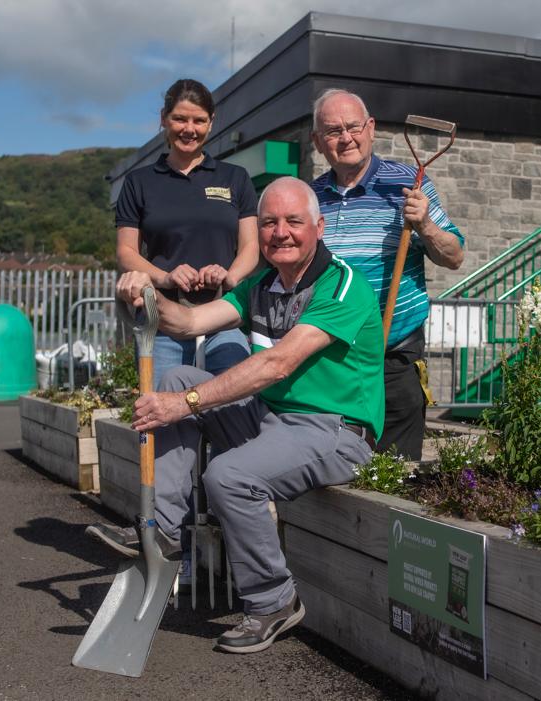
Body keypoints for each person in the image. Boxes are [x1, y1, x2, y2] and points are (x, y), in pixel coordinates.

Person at [88, 177, 385, 653]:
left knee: (226, 474)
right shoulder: (261, 285)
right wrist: (143, 293)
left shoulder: (344, 285)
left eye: (293, 221)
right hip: (275, 419)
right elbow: (186, 321)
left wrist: (186, 405)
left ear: (319, 227)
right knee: (177, 378)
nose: (280, 232)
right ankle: (163, 531)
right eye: (269, 222)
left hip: (335, 430)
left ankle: (273, 600)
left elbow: (276, 363)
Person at [309, 89, 464, 461]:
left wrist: (425, 225)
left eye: (353, 126)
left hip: (392, 358)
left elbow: (454, 256)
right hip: (329, 363)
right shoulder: (310, 197)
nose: (346, 137)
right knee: (328, 475)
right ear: (317, 143)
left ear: (371, 128)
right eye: (332, 131)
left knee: (393, 475)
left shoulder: (408, 184)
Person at [116, 78, 260, 390]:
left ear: (211, 122)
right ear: (164, 119)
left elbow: (251, 247)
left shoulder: (235, 178)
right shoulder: (139, 182)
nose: (189, 129)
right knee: (161, 416)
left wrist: (229, 276)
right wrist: (166, 278)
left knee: (232, 406)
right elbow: (127, 252)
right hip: (163, 321)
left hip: (223, 317)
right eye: (180, 119)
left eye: (198, 120)